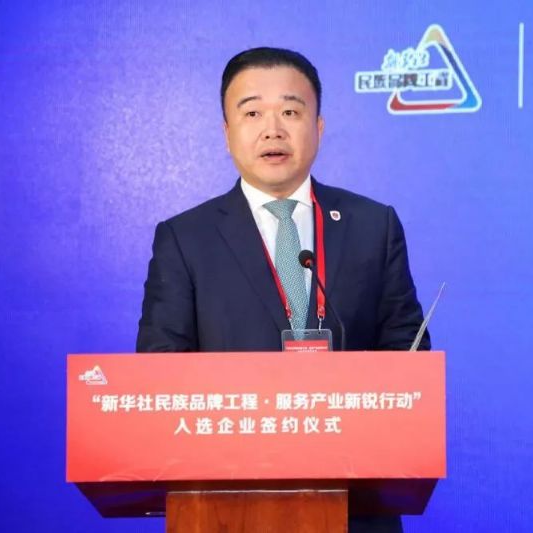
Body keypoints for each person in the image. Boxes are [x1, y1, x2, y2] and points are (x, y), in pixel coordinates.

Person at [136, 47, 429, 531]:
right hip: (226, 504)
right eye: (252, 113)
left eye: (291, 112)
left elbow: (405, 347)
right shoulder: (185, 238)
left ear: (319, 127)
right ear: (227, 132)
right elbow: (161, 369)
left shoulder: (372, 225)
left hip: (355, 502)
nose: (273, 129)